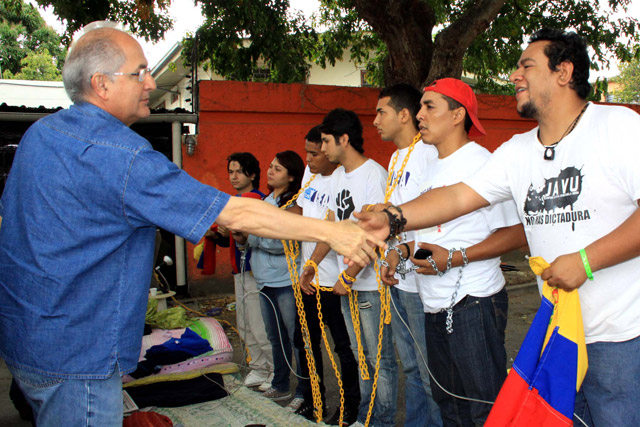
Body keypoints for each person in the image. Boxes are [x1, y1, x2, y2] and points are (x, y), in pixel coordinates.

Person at [0, 23, 382, 426]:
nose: (150, 82)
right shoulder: (121, 155)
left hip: (29, 339)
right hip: (80, 353)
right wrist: (336, 231)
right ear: (101, 84)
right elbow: (232, 212)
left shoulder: (41, 135)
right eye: (139, 72)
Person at [358, 29, 640, 427]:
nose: (514, 75)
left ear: (564, 72)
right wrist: (392, 218)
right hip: (556, 333)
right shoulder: (517, 151)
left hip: (620, 335)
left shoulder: (617, 127)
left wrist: (585, 261)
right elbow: (457, 197)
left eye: (527, 66)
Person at [302, 109, 395, 427]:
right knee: (359, 357)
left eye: (326, 141)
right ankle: (366, 417)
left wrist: (348, 274)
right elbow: (332, 225)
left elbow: (375, 233)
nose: (322, 148)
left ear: (344, 139)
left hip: (369, 285)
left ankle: (380, 420)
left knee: (378, 359)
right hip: (348, 285)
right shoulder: (338, 176)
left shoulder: (373, 175)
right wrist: (312, 263)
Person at [372, 83, 442, 427]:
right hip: (399, 276)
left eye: (381, 112)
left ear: (404, 115)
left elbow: (435, 218)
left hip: (422, 282)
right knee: (412, 366)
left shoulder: (429, 153)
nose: (374, 121)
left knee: (429, 372)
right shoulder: (397, 157)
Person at [295, 125, 361, 425]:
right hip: (307, 279)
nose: (308, 158)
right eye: (307, 151)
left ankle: (350, 407)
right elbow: (298, 215)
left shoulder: (340, 181)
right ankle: (313, 401)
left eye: (315, 151)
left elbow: (334, 231)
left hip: (333, 282)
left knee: (342, 348)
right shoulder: (309, 179)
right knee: (306, 343)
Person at [232, 150, 306, 402]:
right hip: (263, 279)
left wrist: (252, 235)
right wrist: (240, 235)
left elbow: (281, 243)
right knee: (275, 337)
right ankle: (280, 382)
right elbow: (254, 241)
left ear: (292, 177)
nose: (271, 171)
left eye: (278, 168)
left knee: (296, 338)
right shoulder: (264, 203)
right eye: (271, 166)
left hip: (286, 280)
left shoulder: (294, 206)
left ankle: (306, 391)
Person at [213, 152, 273, 390]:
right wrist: (218, 235)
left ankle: (273, 370)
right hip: (239, 269)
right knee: (246, 323)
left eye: (239, 171)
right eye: (231, 171)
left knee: (259, 325)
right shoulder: (236, 200)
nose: (234, 176)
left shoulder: (259, 200)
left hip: (255, 270)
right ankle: (258, 367)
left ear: (252, 174)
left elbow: (260, 234)